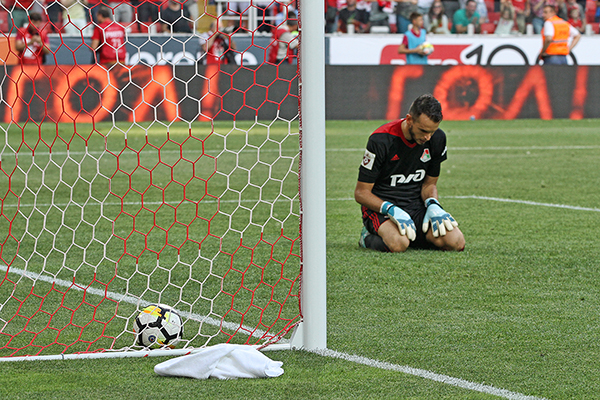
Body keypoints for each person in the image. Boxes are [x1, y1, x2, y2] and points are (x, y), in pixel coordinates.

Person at [355, 94, 465, 253]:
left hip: (415, 208)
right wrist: (390, 209)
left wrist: (433, 204)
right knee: (398, 244)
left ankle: (411, 236)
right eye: (423, 131)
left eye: (432, 132)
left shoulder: (437, 139)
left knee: (456, 241)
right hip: (381, 209)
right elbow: (361, 193)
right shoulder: (381, 140)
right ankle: (367, 237)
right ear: (409, 120)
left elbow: (429, 185)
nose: (427, 137)